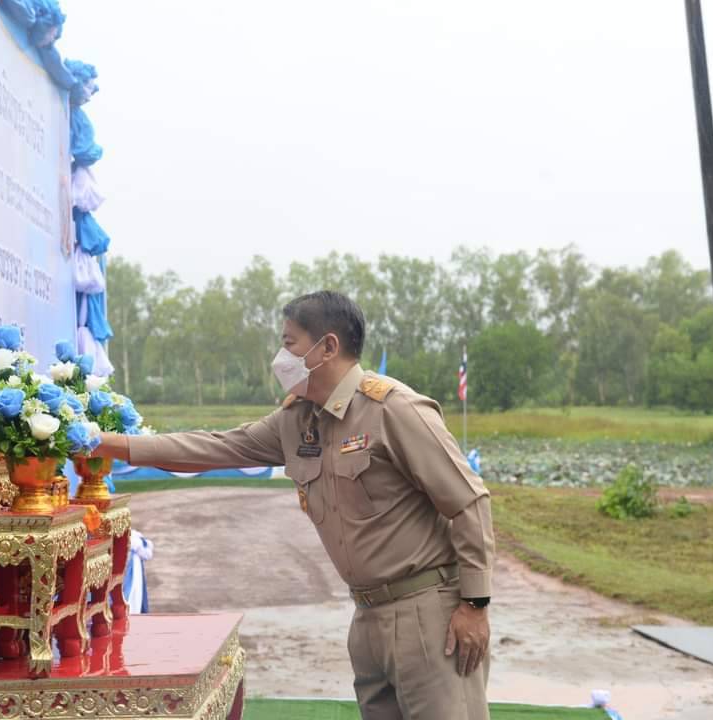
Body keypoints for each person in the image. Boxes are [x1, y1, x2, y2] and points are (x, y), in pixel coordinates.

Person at [95, 290, 495, 720]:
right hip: (367, 617)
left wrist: (475, 605)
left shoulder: (392, 411)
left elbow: (469, 501)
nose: (281, 358)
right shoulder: (298, 420)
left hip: (427, 613)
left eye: (289, 343)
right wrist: (109, 444)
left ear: (328, 347)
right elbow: (212, 448)